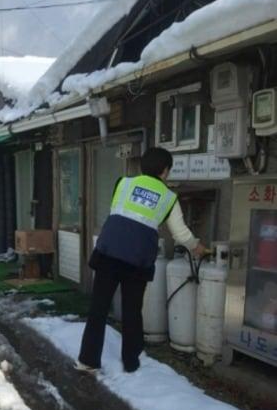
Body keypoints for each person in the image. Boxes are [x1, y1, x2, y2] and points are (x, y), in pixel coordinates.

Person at [76, 147, 207, 374]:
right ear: (165, 171)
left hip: (109, 251)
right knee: (132, 310)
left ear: (143, 166)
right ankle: (131, 362)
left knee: (98, 307)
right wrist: (197, 247)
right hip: (137, 259)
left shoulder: (123, 183)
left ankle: (88, 361)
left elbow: (118, 211)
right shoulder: (168, 197)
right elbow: (180, 233)